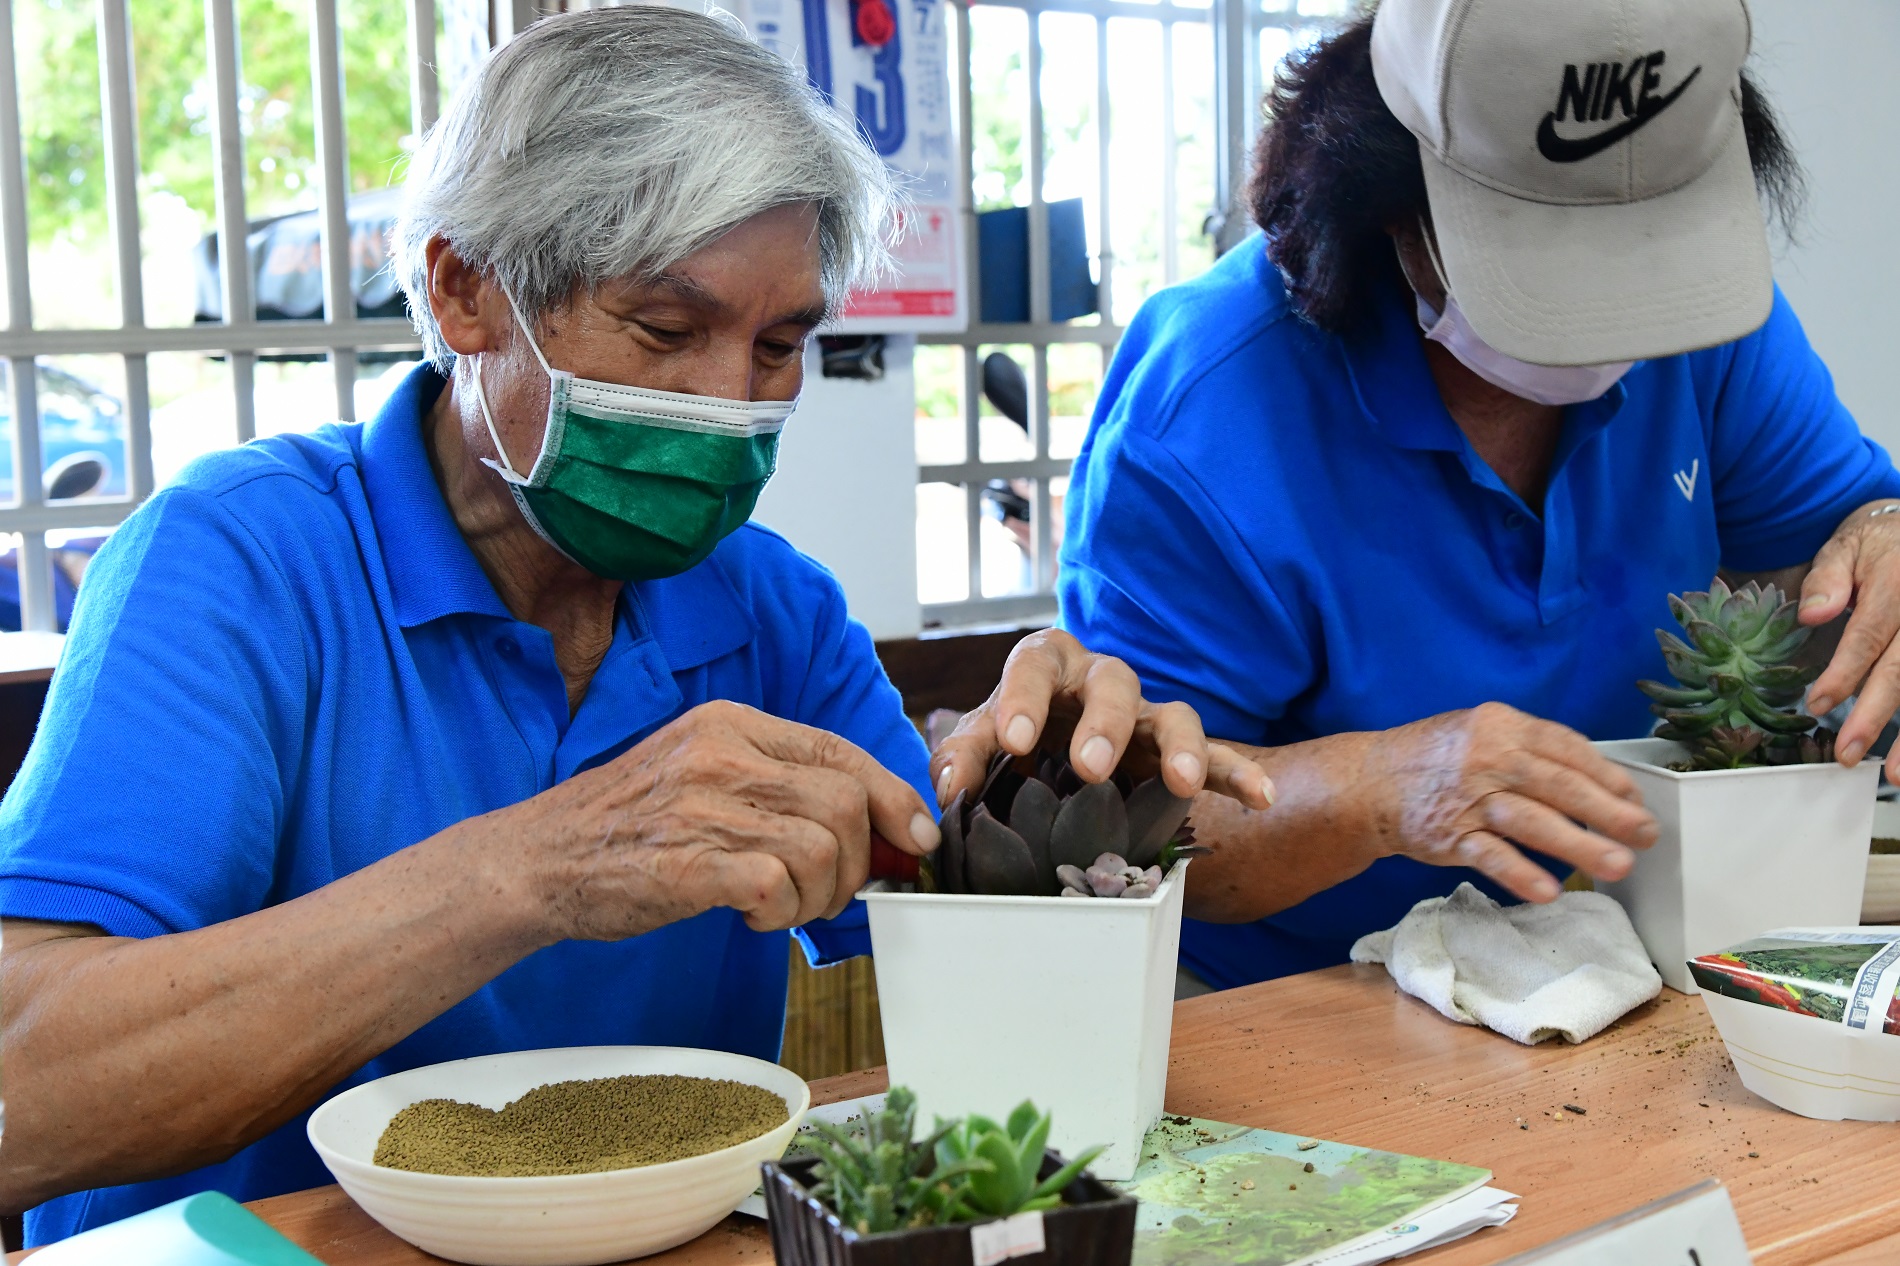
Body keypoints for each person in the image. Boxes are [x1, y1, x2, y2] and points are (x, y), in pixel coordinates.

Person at [0, 9, 1271, 1244]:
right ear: (464, 293)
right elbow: (26, 1099)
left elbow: (957, 923)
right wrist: (533, 873)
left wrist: (1061, 782)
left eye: (779, 346)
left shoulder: (768, 610)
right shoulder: (237, 563)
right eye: (664, 330)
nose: (727, 401)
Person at [1057, 0, 1900, 992]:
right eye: (1555, 266)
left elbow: (1830, 559)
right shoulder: (1209, 413)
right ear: (1386, 193)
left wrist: (1880, 542)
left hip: (1610, 967)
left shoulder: (1714, 331)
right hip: (1286, 1000)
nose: (1611, 321)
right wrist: (1374, 792)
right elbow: (1125, 828)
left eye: (1645, 258)